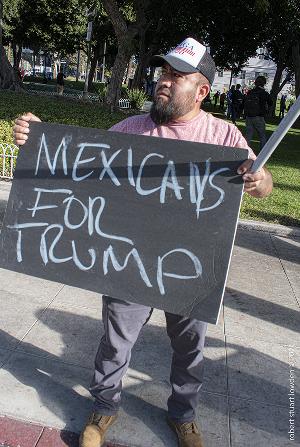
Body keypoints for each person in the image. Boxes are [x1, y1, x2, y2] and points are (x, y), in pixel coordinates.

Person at [13, 37, 273, 447]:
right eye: (162, 72)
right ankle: (103, 408)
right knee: (115, 343)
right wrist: (39, 140)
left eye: (176, 75)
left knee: (190, 349)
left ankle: (183, 416)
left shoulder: (224, 136)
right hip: (127, 262)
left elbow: (262, 186)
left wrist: (259, 179)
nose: (164, 81)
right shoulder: (130, 129)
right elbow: (83, 168)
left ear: (202, 90)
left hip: (190, 267)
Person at [244, 75, 273, 150]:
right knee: (262, 135)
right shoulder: (264, 93)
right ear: (264, 84)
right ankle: (263, 153)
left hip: (249, 116)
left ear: (255, 83)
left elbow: (244, 103)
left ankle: (245, 151)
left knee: (248, 136)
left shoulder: (250, 92)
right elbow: (271, 103)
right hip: (259, 117)